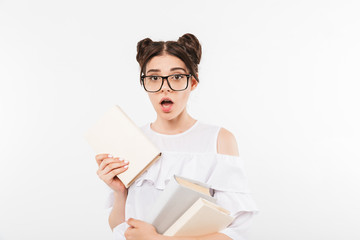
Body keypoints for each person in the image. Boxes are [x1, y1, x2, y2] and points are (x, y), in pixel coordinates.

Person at [95, 33, 258, 240]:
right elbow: (119, 227)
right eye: (154, 78)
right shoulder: (132, 139)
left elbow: (237, 231)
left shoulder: (219, 140)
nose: (165, 87)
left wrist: (158, 239)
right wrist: (120, 192)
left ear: (193, 83)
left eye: (177, 77)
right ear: (144, 83)